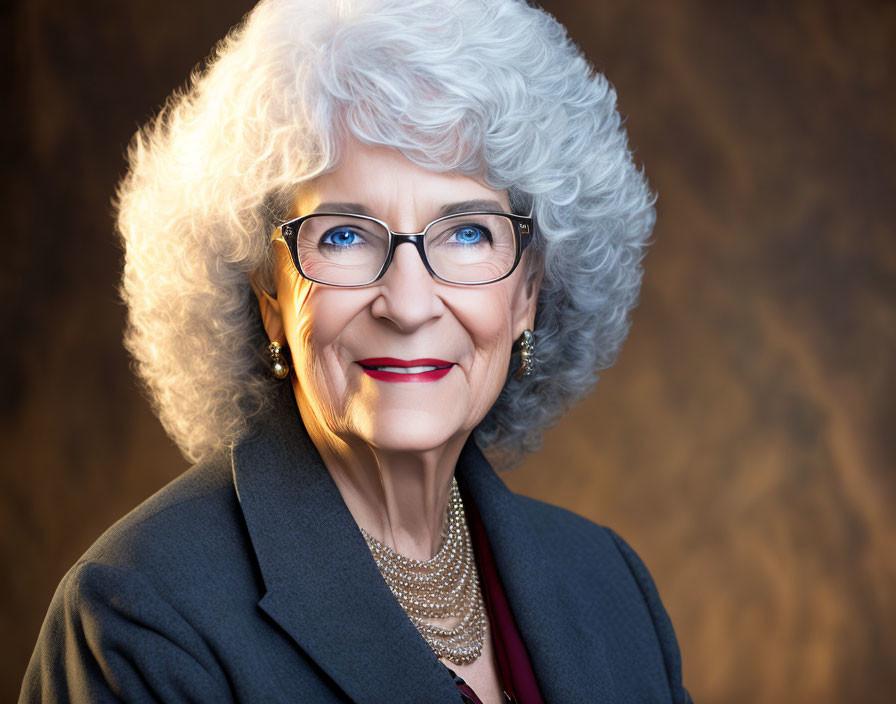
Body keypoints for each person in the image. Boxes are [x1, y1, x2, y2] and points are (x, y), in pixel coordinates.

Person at [21, 0, 692, 702]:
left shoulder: (612, 589)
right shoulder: (141, 624)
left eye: (466, 233)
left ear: (527, 291)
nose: (407, 304)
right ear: (270, 296)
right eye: (344, 235)